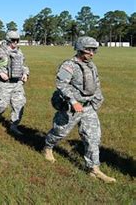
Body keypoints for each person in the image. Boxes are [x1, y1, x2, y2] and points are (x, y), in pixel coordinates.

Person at [43, 36, 116, 183]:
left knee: (93, 138)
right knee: (59, 132)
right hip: (71, 108)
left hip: (88, 108)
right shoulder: (68, 65)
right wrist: (73, 101)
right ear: (80, 49)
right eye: (89, 50)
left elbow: (96, 85)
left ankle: (94, 169)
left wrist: (97, 102)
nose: (92, 53)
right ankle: (48, 147)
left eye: (94, 50)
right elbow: (61, 85)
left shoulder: (91, 66)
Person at [0, 31, 29, 135]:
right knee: (1, 106)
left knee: (19, 105)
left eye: (17, 40)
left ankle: (13, 126)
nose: (15, 42)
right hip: (4, 83)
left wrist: (25, 74)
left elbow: (24, 65)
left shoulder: (19, 52)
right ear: (8, 40)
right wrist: (0, 72)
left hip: (17, 83)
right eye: (13, 40)